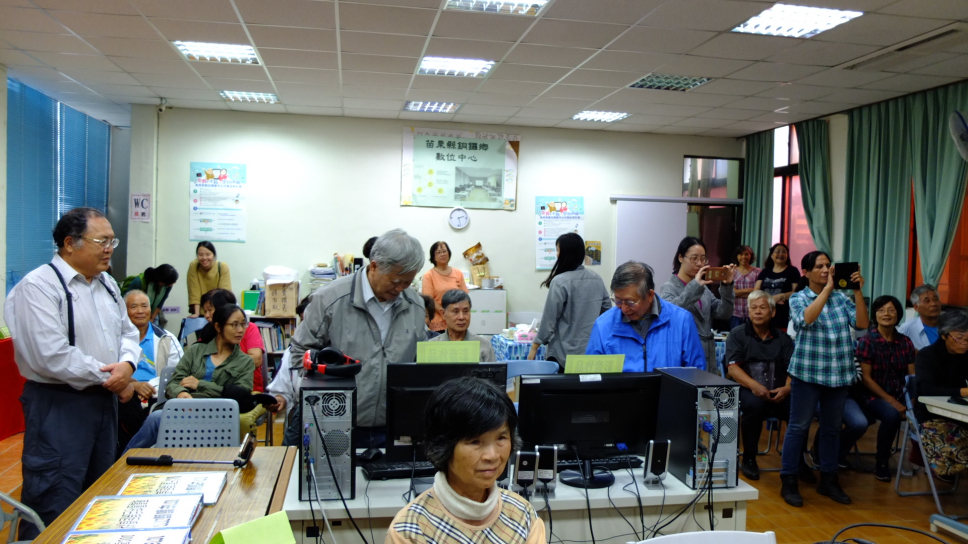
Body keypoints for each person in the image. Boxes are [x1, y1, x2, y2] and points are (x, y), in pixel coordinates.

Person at [3, 207, 140, 539]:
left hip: (103, 402)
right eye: (101, 241)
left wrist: (127, 365)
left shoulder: (107, 284)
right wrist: (111, 377)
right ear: (69, 243)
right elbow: (50, 355)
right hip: (59, 404)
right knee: (55, 495)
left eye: (112, 241)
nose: (109, 249)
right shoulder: (38, 286)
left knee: (99, 493)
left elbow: (128, 333)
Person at [290, 228, 427, 448]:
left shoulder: (415, 305)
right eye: (395, 281)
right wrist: (323, 399)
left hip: (392, 427)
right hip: (336, 423)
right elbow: (300, 352)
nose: (400, 288)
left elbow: (418, 362)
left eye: (407, 283)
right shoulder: (330, 299)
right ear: (374, 266)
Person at [386, 377, 545, 544]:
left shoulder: (524, 516)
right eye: (475, 441)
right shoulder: (410, 531)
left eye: (501, 438)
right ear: (444, 446)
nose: (492, 455)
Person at [779, 251, 868, 508]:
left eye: (828, 265)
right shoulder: (798, 297)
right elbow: (806, 320)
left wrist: (857, 291)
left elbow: (862, 324)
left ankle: (828, 479)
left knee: (831, 429)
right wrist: (827, 290)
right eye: (819, 266)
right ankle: (789, 480)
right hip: (807, 373)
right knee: (799, 427)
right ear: (806, 272)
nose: (826, 270)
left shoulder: (842, 298)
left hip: (838, 374)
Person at [124, 304, 258, 450]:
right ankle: (126, 460)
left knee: (157, 418)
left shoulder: (245, 361)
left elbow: (241, 394)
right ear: (218, 327)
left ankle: (126, 459)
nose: (240, 330)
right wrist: (181, 393)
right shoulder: (196, 351)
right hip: (185, 410)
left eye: (243, 324)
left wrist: (200, 384)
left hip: (220, 414)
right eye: (234, 325)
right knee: (156, 418)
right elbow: (174, 382)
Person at [726, 290, 799, 481]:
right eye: (753, 308)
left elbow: (793, 369)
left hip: (779, 390)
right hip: (747, 389)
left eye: (762, 308)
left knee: (799, 407)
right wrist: (754, 386)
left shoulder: (783, 338)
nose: (757, 312)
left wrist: (787, 388)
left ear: (773, 312)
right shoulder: (737, 334)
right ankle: (749, 458)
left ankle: (797, 460)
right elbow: (733, 369)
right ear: (748, 311)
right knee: (754, 405)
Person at [586, 261, 705, 372]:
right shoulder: (603, 325)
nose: (624, 308)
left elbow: (696, 374)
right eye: (618, 301)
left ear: (649, 295)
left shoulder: (681, 321)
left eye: (630, 302)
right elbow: (592, 376)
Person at [853, 295, 916, 482]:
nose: (886, 314)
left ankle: (926, 461)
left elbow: (912, 377)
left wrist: (911, 401)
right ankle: (882, 462)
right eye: (881, 310)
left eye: (891, 310)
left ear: (898, 314)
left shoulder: (906, 342)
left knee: (925, 410)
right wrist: (893, 402)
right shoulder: (867, 341)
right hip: (872, 397)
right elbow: (866, 380)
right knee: (891, 414)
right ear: (874, 315)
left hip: (900, 396)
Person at [528, 233, 610, 369]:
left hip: (562, 353)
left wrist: (534, 346)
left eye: (558, 250)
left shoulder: (560, 281)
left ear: (565, 253)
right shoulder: (597, 279)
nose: (557, 254)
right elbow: (607, 312)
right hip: (590, 352)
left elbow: (549, 319)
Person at [118, 290, 184, 454]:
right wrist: (134, 385)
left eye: (144, 306)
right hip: (124, 391)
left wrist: (150, 387)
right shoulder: (115, 339)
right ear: (124, 311)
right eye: (134, 307)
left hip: (156, 394)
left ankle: (127, 456)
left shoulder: (166, 339)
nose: (140, 311)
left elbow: (178, 373)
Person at [659, 236, 735, 376]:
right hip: (684, 352)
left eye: (703, 259)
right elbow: (671, 313)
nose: (700, 264)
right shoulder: (668, 288)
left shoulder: (704, 288)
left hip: (707, 354)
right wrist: (695, 286)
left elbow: (723, 313)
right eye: (694, 258)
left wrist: (727, 286)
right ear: (681, 258)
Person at [914, 309, 968, 482]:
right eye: (960, 338)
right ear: (944, 335)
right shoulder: (927, 355)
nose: (964, 343)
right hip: (932, 416)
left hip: (960, 413)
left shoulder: (965, 355)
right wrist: (962, 391)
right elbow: (927, 390)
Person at [197, 289, 266, 392]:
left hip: (246, 390)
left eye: (210, 310)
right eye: (205, 311)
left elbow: (256, 360)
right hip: (209, 391)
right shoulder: (207, 331)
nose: (206, 315)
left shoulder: (249, 328)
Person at [430, 290, 497, 362]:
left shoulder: (484, 346)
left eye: (465, 311)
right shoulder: (432, 347)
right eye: (455, 312)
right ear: (443, 314)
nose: (461, 317)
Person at [422, 241, 469, 334]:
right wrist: (446, 314)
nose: (442, 254)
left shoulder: (458, 273)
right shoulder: (428, 275)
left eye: (444, 251)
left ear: (449, 253)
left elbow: (464, 296)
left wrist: (455, 313)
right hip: (438, 322)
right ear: (433, 257)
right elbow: (429, 300)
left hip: (457, 320)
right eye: (438, 252)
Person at [754, 243, 801, 332]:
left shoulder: (793, 271)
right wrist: (772, 299)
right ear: (771, 255)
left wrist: (780, 296)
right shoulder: (765, 271)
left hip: (784, 315)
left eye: (784, 252)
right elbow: (756, 291)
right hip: (765, 313)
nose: (781, 254)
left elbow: (796, 292)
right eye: (777, 251)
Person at [187, 241, 232, 317]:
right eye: (200, 255)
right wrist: (196, 313)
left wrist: (217, 314)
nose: (204, 258)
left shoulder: (222, 267)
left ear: (214, 255)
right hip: (201, 311)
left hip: (218, 311)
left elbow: (223, 294)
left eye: (208, 254)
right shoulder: (194, 265)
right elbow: (194, 291)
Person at [898, 284, 942, 350]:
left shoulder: (951, 326)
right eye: (927, 301)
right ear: (916, 307)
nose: (933, 304)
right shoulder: (906, 329)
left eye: (935, 299)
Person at [730, 245, 761, 330]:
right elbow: (732, 293)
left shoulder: (758, 272)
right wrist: (750, 290)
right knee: (736, 337)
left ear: (751, 256)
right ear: (737, 256)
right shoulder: (732, 272)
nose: (743, 257)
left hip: (753, 314)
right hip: (735, 314)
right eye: (741, 254)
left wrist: (739, 292)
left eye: (746, 254)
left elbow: (758, 293)